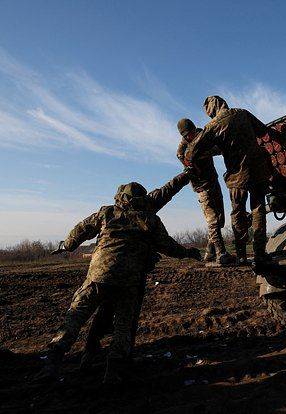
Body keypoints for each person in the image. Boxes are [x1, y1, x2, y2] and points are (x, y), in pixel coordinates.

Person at [35, 180, 202, 384]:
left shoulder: (107, 213)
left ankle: (52, 361)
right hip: (129, 281)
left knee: (76, 317)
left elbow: (80, 230)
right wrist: (189, 253)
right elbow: (169, 246)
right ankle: (114, 372)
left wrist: (66, 246)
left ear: (120, 197)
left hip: (99, 277)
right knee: (123, 325)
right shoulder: (150, 220)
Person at [79, 171, 194, 369]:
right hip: (133, 272)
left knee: (105, 312)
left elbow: (169, 188)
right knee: (126, 317)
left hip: (110, 272)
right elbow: (168, 192)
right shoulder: (147, 209)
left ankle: (91, 353)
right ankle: (116, 360)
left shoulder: (113, 212)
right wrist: (187, 175)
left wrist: (186, 175)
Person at [186, 96, 272, 265]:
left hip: (237, 176)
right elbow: (263, 131)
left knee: (238, 212)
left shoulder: (213, 125)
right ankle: (260, 252)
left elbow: (191, 152)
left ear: (211, 111)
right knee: (258, 209)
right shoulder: (242, 113)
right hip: (258, 170)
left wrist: (205, 152)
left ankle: (241, 255)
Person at [177, 118, 234, 266]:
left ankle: (209, 251)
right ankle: (221, 254)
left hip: (213, 181)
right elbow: (179, 154)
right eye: (186, 135)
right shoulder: (184, 144)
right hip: (201, 186)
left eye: (190, 133)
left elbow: (217, 149)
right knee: (213, 220)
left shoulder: (204, 135)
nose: (189, 137)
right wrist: (189, 164)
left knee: (220, 219)